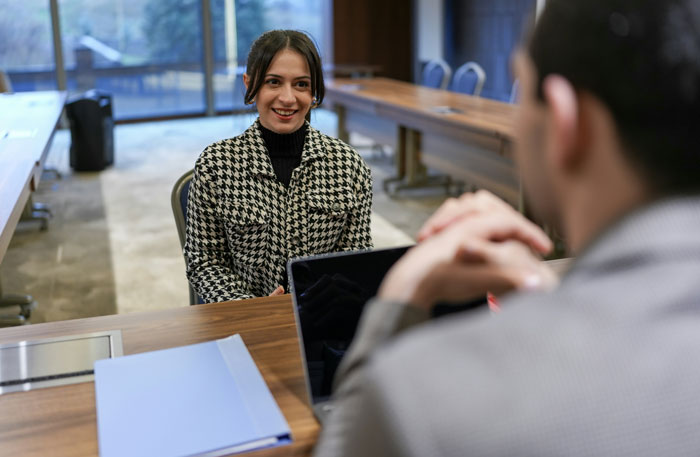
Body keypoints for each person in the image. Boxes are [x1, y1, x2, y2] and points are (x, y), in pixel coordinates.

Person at [314, 0, 700, 455]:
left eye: (522, 87)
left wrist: (398, 298)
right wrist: (552, 304)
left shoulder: (416, 399)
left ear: (564, 121)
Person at [185, 30, 373, 303]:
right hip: (244, 319)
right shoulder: (216, 165)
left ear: (315, 93)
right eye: (273, 82)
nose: (287, 98)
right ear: (250, 86)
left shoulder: (348, 165)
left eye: (301, 84)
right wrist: (252, 308)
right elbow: (204, 261)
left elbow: (356, 260)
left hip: (324, 319)